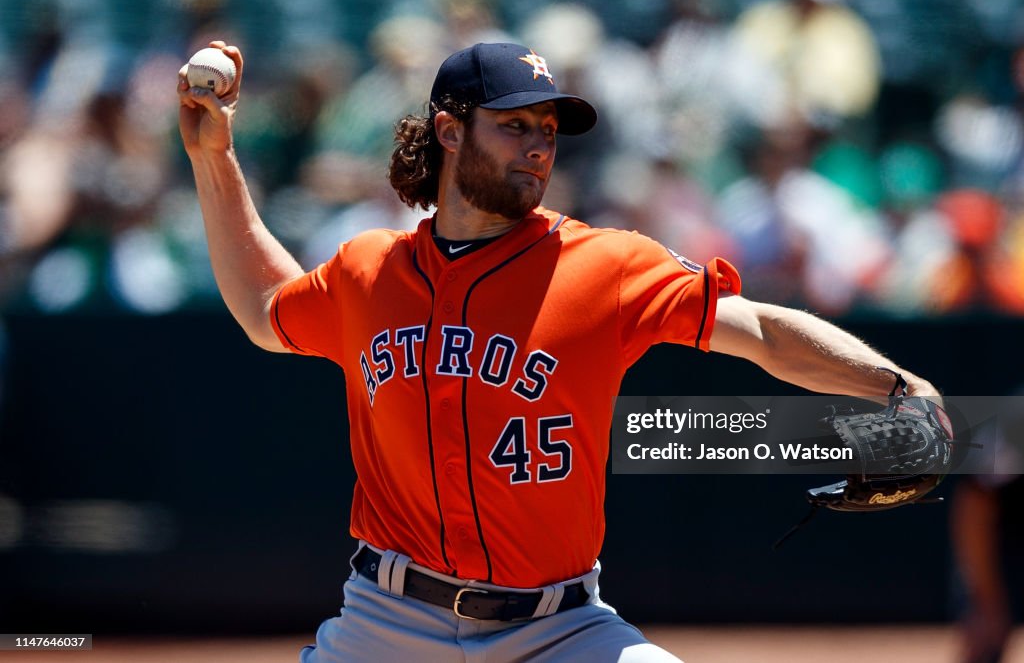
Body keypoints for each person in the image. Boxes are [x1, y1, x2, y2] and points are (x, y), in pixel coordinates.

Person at [178, 40, 940, 663]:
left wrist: (897, 384)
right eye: (515, 125)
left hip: (557, 629)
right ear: (450, 130)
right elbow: (265, 310)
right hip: (386, 623)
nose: (539, 146)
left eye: (548, 129)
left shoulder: (605, 265)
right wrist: (215, 157)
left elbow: (764, 331)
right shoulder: (369, 270)